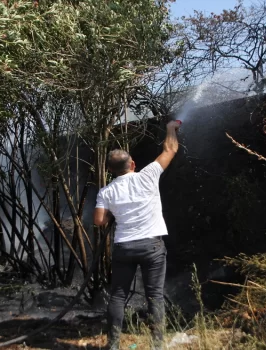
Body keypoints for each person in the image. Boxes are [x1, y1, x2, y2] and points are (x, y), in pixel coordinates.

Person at [93, 120, 180, 350]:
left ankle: (112, 345)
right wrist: (171, 128)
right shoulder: (147, 175)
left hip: (124, 247)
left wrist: (113, 214)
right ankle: (157, 345)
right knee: (154, 296)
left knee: (118, 297)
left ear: (110, 171)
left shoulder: (106, 191)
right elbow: (170, 149)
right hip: (152, 247)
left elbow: (99, 221)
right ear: (133, 164)